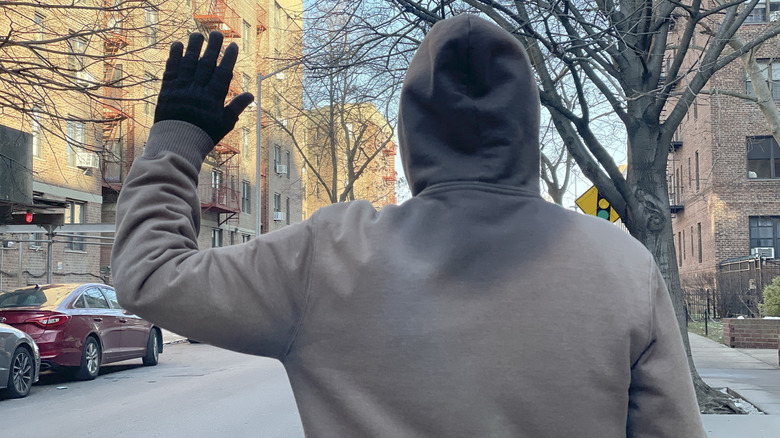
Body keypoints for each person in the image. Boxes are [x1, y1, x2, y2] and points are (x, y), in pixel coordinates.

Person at [113, 15, 706, 437]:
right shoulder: (622, 264)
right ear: (526, 123)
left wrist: (175, 144)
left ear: (411, 133)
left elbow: (150, 275)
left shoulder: (331, 254)